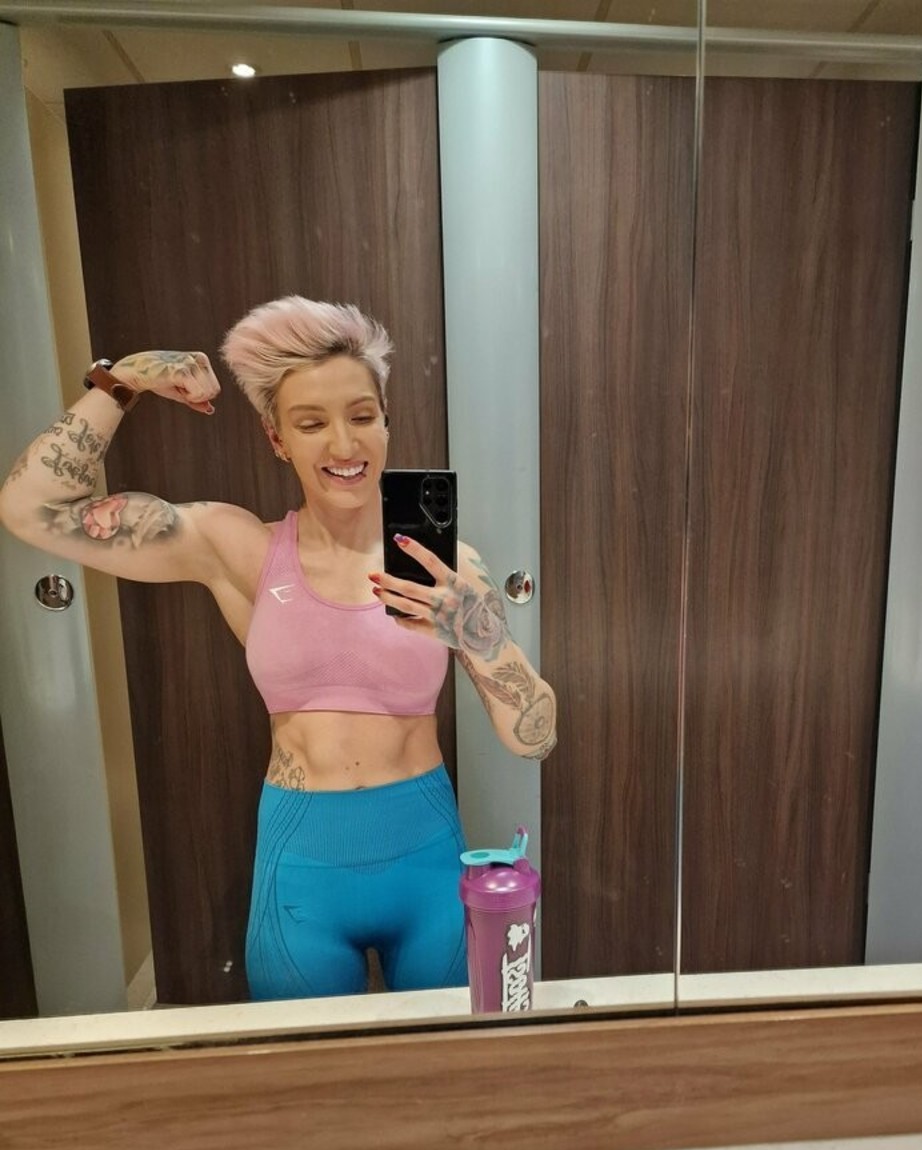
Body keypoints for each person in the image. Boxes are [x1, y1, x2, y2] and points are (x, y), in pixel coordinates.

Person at [0, 296, 556, 1001]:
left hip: (427, 864)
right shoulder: (241, 548)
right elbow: (31, 510)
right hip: (300, 873)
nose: (344, 445)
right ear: (277, 439)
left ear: (386, 421)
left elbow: (535, 737)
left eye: (361, 416)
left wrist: (481, 634)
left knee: (445, 1066)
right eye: (312, 423)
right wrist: (125, 380)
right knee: (302, 1071)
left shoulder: (445, 565)